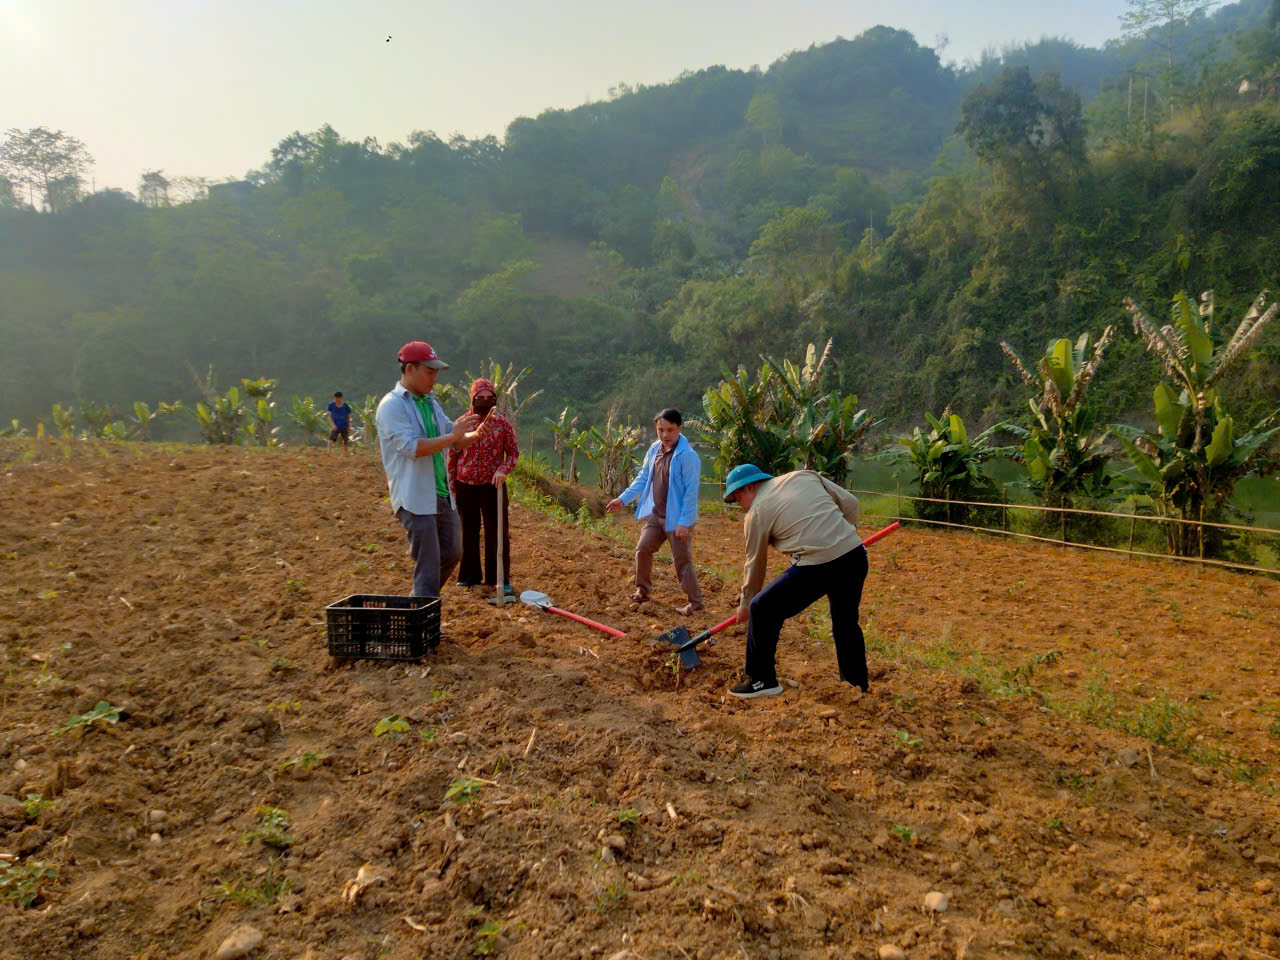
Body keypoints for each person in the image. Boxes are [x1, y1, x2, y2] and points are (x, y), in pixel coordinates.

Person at [722, 464, 867, 699]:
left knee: (762, 609)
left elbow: (755, 563)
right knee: (845, 623)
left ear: (750, 487)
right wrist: (845, 538)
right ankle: (856, 685)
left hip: (818, 565)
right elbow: (851, 503)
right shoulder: (804, 476)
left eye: (738, 498)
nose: (741, 506)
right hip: (855, 556)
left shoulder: (756, 512)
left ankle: (761, 680)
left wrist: (746, 603)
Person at [375, 341, 487, 599]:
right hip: (414, 497)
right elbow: (412, 447)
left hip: (441, 493)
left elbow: (454, 438)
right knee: (428, 563)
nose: (435, 378)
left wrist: (476, 434)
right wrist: (452, 437)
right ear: (410, 369)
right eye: (429, 371)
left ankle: (419, 603)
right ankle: (424, 614)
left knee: (452, 552)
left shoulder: (430, 402)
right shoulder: (392, 406)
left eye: (436, 372)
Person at [605, 408, 704, 616]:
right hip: (657, 515)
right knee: (642, 549)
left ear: (679, 429)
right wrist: (622, 499)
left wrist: (684, 522)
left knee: (682, 561)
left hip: (678, 520)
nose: (665, 435)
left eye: (670, 430)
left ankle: (696, 605)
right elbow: (643, 478)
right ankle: (642, 590)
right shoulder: (654, 450)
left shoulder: (688, 456)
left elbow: (691, 492)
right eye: (661, 430)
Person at [447, 378, 520, 593]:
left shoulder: (503, 424)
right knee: (467, 531)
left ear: (495, 399)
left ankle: (498, 578)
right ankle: (468, 577)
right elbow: (452, 456)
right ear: (473, 398)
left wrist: (503, 470)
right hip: (465, 484)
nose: (485, 401)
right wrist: (452, 486)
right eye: (481, 397)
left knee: (497, 532)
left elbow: (513, 453)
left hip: (492, 486)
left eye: (490, 397)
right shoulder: (462, 423)